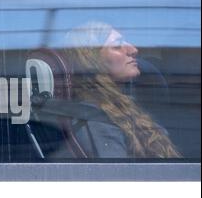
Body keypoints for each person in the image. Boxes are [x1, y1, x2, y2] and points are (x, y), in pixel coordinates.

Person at [56, 21, 181, 158]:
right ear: (92, 60)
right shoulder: (97, 120)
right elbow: (117, 176)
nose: (133, 50)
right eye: (117, 45)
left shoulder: (122, 106)